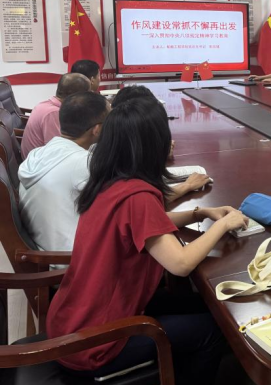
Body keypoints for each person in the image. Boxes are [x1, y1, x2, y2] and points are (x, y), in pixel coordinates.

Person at [47, 98, 248, 385]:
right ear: (152, 145)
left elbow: (148, 223)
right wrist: (223, 225)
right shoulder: (137, 196)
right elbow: (181, 263)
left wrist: (201, 213)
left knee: (207, 306)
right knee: (214, 329)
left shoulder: (110, 183)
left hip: (73, 323)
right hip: (95, 345)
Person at [19, 92, 110, 253]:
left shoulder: (38, 154)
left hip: (45, 246)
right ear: (96, 129)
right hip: (70, 258)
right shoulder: (84, 164)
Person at [110, 85, 211, 199]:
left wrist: (156, 152)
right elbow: (147, 200)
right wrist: (187, 186)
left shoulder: (115, 147)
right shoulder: (117, 173)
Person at [21, 73, 90, 159]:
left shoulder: (46, 105)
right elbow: (58, 150)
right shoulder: (53, 113)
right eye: (88, 94)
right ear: (76, 96)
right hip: (40, 164)